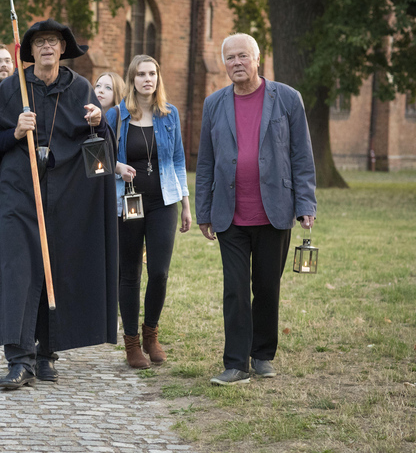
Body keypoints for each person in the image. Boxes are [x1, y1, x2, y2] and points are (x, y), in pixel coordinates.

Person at [0, 18, 118, 390]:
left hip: (66, 195)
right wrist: (15, 131)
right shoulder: (12, 88)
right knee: (18, 271)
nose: (47, 47)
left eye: (53, 41)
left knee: (58, 269)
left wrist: (99, 122)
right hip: (18, 192)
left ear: (63, 48)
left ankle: (46, 352)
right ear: (30, 50)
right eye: (40, 42)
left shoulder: (80, 87)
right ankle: (19, 359)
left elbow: (98, 147)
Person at [195, 33, 317, 386]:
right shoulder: (213, 104)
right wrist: (203, 209)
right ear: (224, 63)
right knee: (235, 289)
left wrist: (306, 203)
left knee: (266, 286)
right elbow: (205, 162)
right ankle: (235, 363)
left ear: (257, 59)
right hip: (229, 213)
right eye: (230, 57)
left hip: (274, 211)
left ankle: (262, 354)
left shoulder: (288, 99)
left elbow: (302, 156)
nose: (236, 63)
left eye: (243, 56)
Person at [106, 55, 191, 369]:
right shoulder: (116, 115)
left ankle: (151, 333)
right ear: (132, 79)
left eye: (152, 74)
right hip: (127, 201)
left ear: (158, 78)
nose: (147, 79)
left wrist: (185, 204)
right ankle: (131, 343)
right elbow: (98, 157)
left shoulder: (170, 115)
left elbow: (179, 161)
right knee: (129, 273)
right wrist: (116, 166)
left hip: (163, 201)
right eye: (141, 74)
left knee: (159, 272)